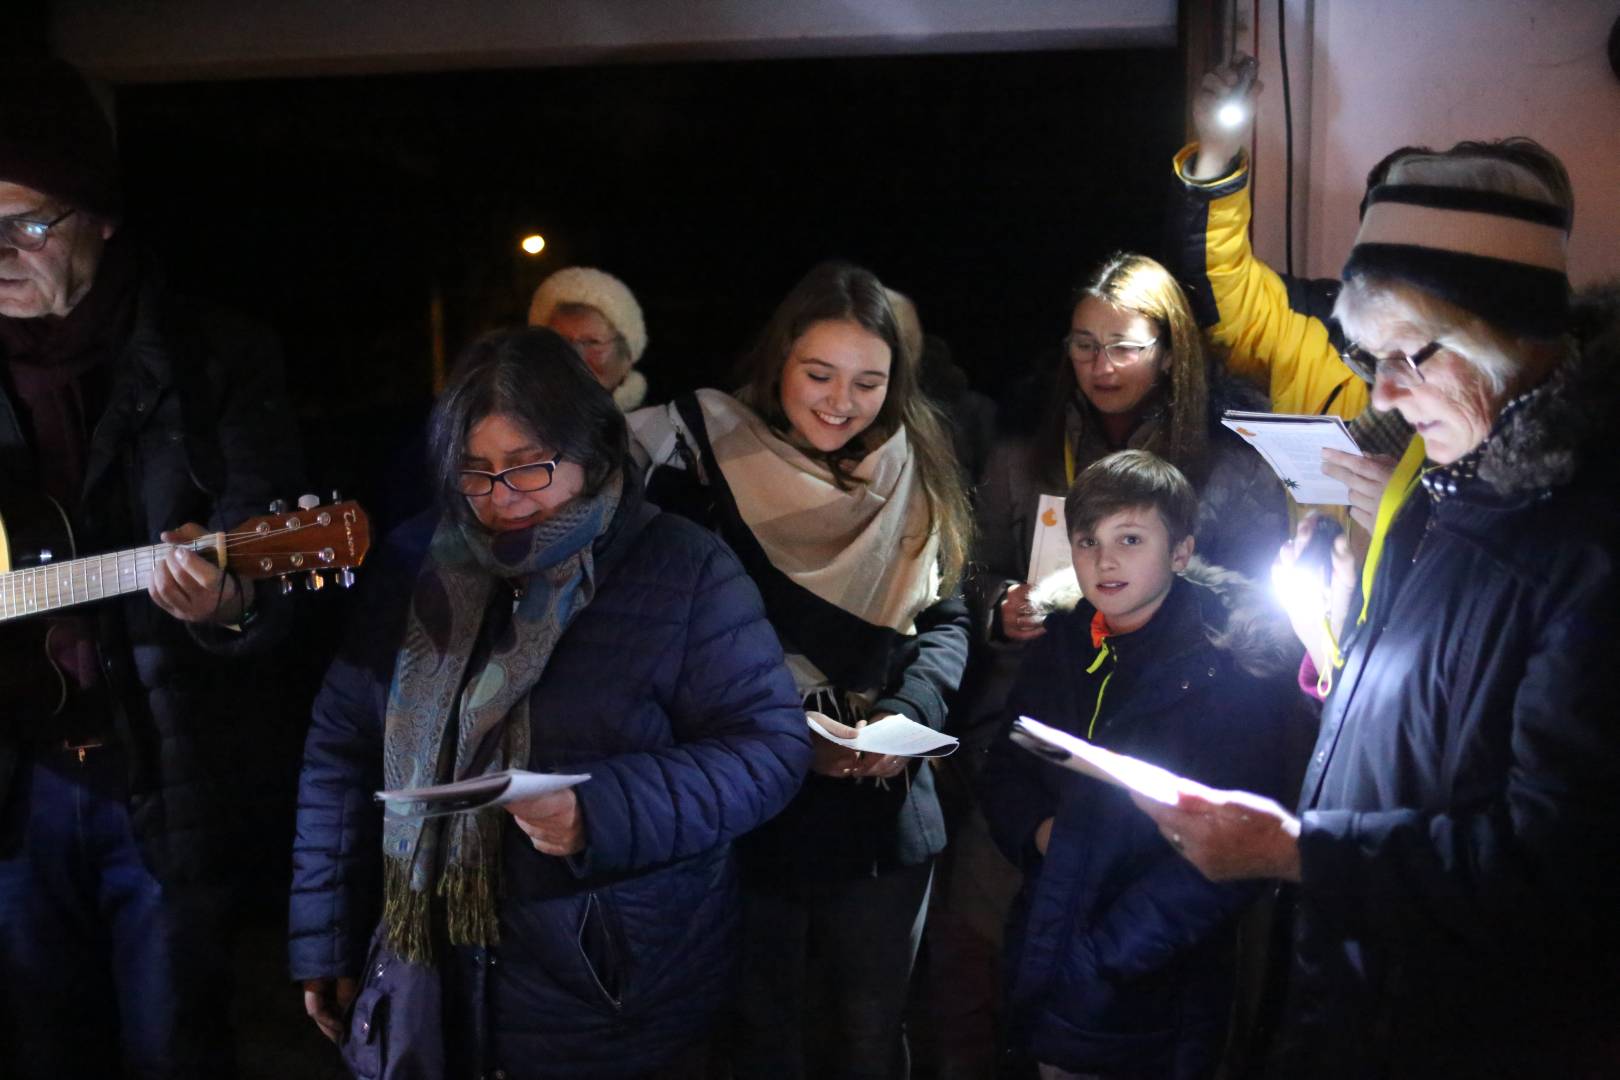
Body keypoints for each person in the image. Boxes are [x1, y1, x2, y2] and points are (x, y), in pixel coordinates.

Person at [1133, 141, 1620, 1076]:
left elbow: (1563, 871)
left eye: (1408, 355)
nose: (1382, 391)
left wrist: (1299, 851)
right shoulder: (1448, 483)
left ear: (1501, 330)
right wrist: (1336, 645)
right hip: (1367, 994)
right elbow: (1437, 721)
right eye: (1369, 355)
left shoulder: (1588, 541)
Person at [289, 329, 810, 1078]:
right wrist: (327, 934)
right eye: (476, 473)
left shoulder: (684, 568)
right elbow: (341, 741)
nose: (501, 500)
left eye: (529, 468)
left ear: (592, 449)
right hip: (423, 971)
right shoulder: (415, 564)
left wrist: (600, 814)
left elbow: (770, 749)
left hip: (601, 994)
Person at [0, 61, 304, 1078]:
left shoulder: (214, 356)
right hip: (13, 790)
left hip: (164, 785)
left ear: (103, 219)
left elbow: (265, 566)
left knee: (175, 1044)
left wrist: (227, 597)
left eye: (27, 223)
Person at [628, 261, 974, 1078]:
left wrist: (908, 719)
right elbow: (677, 642)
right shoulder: (702, 460)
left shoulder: (916, 467)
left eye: (868, 382)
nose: (839, 401)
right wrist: (787, 737)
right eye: (818, 373)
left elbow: (948, 618)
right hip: (752, 804)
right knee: (760, 1035)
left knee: (870, 1037)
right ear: (779, 359)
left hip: (883, 812)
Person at [980, 450, 1309, 1079]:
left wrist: (1110, 954)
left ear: (1181, 553)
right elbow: (1008, 764)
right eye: (1088, 541)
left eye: (1130, 539)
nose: (1104, 561)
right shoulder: (1066, 642)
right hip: (1055, 941)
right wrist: (1043, 835)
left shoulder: (1228, 665)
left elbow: (1232, 849)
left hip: (1155, 977)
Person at [1168, 55, 1414, 492]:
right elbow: (1221, 283)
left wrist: (1407, 516)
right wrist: (1217, 153)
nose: (1394, 262)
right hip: (1313, 554)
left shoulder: (1488, 370)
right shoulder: (1317, 322)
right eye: (1379, 237)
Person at [528, 265, 652, 410]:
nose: (576, 355)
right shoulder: (518, 421)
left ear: (626, 360)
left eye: (592, 342)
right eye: (562, 342)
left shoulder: (653, 428)